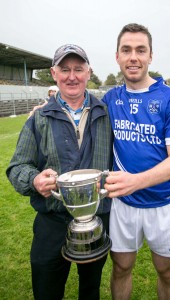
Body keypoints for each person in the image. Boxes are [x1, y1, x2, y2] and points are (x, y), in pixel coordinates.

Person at [6, 44, 113, 300]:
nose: (72, 76)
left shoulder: (107, 114)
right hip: (52, 222)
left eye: (78, 69)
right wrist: (34, 179)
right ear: (54, 73)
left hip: (96, 220)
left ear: (89, 72)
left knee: (91, 291)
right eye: (65, 69)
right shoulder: (39, 117)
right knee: (47, 291)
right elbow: (17, 166)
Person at [103, 23, 170, 299]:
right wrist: (46, 106)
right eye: (126, 50)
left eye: (141, 50)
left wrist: (135, 182)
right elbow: (76, 108)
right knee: (121, 267)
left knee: (167, 271)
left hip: (161, 203)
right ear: (117, 56)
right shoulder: (109, 98)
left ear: (151, 56)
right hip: (123, 204)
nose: (133, 57)